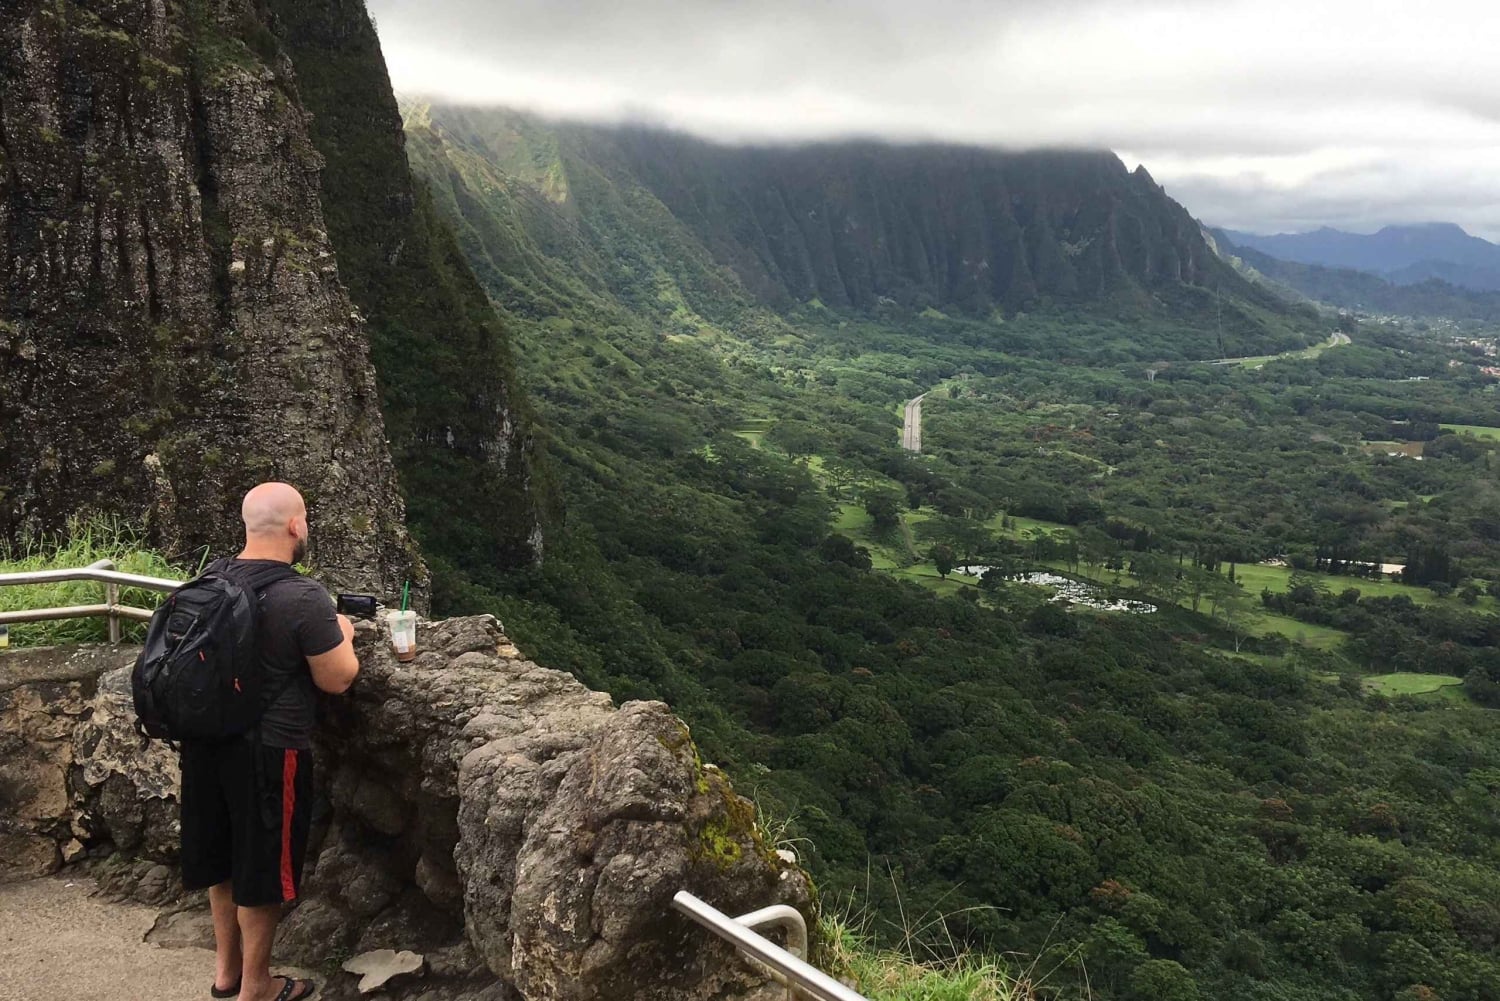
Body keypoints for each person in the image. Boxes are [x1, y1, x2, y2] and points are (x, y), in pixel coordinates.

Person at [178, 483, 360, 1001]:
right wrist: (343, 633)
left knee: (221, 861)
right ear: (296, 526)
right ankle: (257, 987)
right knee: (262, 870)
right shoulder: (302, 596)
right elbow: (338, 678)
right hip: (269, 752)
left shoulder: (209, 579)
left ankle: (226, 974)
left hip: (204, 743)